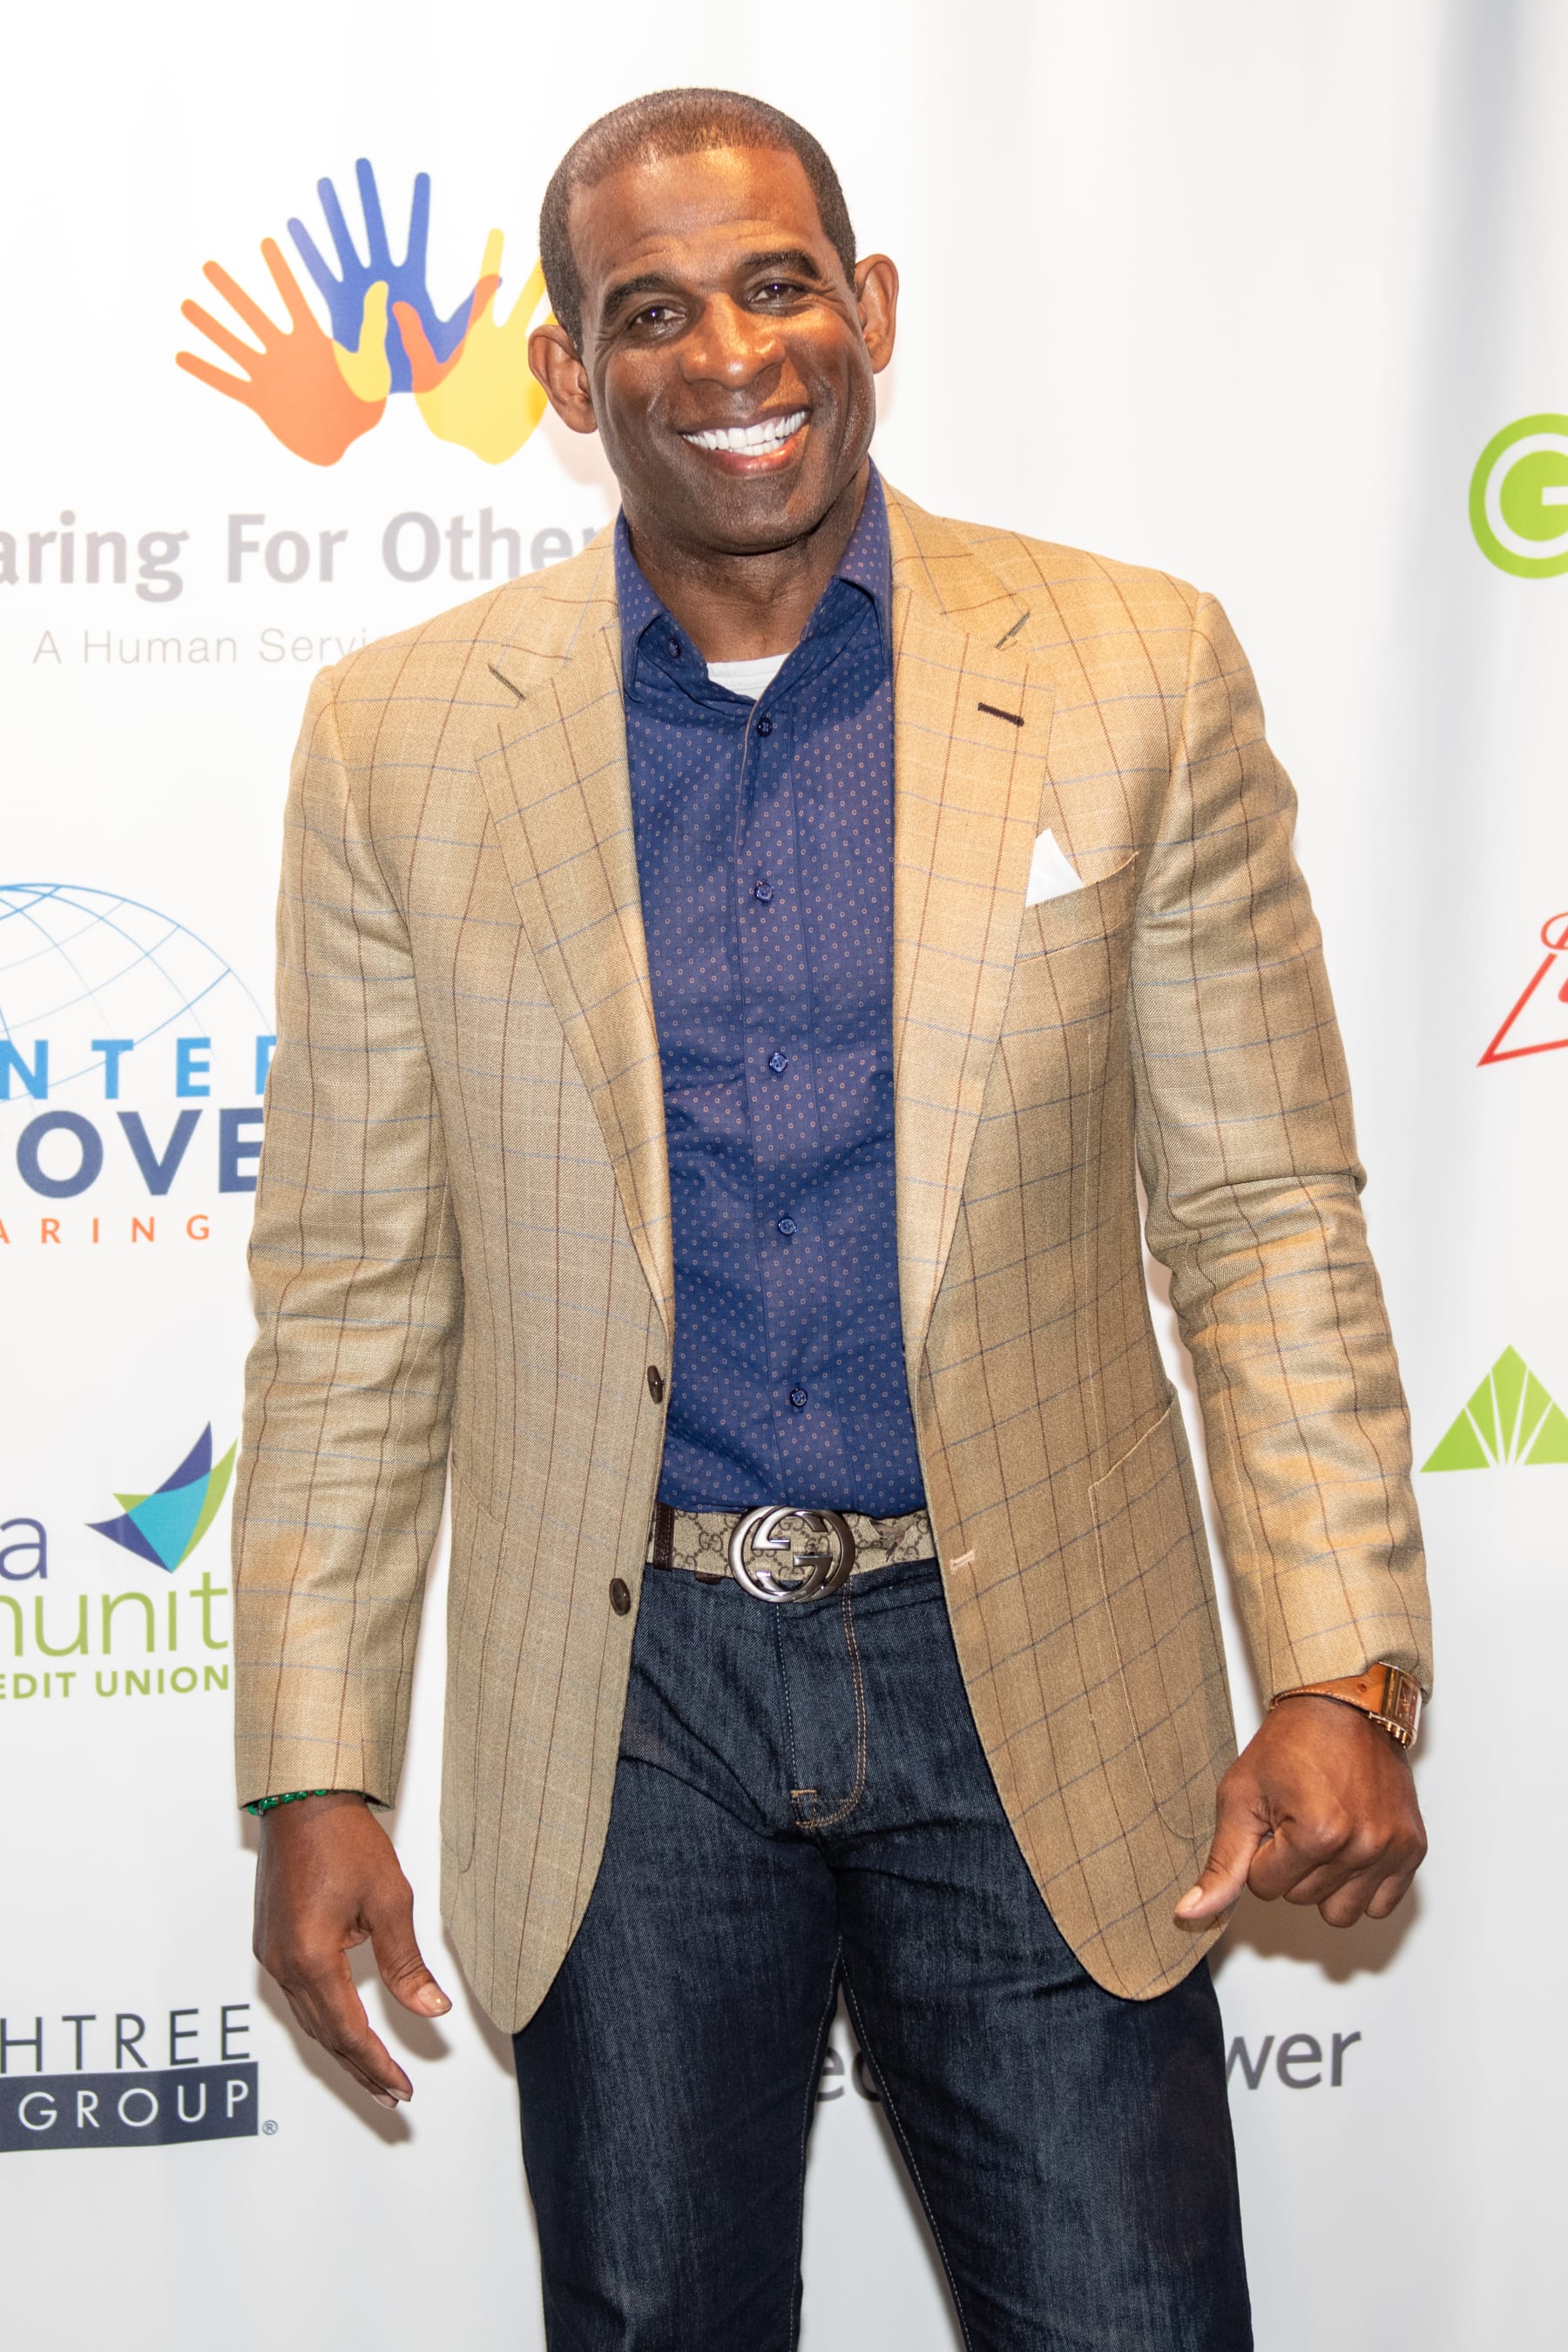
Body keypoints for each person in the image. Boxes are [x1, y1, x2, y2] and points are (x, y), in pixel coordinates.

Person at [235, 87, 1430, 2351]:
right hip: (629, 1711)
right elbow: (354, 1291)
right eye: (649, 313)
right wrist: (315, 1760)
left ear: (868, 307)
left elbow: (1267, 1207)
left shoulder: (1135, 670)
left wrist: (1336, 1660)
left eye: (776, 283)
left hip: (1040, 1684)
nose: (729, 355)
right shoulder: (399, 739)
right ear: (572, 383)